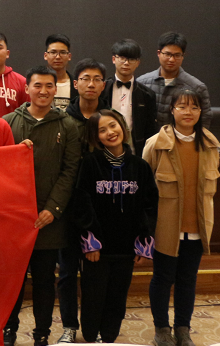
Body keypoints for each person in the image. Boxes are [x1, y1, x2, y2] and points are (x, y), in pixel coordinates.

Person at [2, 66, 82, 346]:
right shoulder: (8, 122)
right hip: (14, 218)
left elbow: (70, 171)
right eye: (38, 85)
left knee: (45, 280)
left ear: (56, 90)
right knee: (12, 281)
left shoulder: (67, 125)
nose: (44, 91)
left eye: (49, 86)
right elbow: (0, 169)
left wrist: (53, 209)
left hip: (48, 219)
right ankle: (8, 330)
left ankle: (42, 334)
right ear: (27, 88)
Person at [71, 110, 157, 344]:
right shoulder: (90, 164)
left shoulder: (140, 166)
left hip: (126, 248)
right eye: (102, 130)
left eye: (113, 125)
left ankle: (109, 338)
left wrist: (144, 242)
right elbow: (82, 203)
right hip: (97, 249)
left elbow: (150, 206)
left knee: (117, 297)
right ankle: (91, 338)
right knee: (93, 296)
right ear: (95, 137)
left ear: (122, 126)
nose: (110, 132)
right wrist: (90, 241)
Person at [143, 90, 219, 346]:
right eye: (183, 106)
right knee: (162, 279)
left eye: (194, 107)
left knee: (188, 280)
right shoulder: (156, 143)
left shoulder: (210, 144)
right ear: (172, 110)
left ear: (200, 112)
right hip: (166, 228)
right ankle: (162, 329)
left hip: (197, 227)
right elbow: (145, 189)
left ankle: (183, 328)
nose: (188, 112)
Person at [56, 58, 116, 343]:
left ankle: (95, 328)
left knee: (96, 273)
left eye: (97, 79)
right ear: (75, 83)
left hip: (101, 209)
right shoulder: (63, 119)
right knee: (67, 271)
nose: (91, 84)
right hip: (68, 207)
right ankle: (69, 326)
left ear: (103, 85)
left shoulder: (110, 120)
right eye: (85, 79)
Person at [137, 31, 212, 128]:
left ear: (183, 56)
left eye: (177, 55)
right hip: (149, 138)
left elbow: (205, 120)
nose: (172, 59)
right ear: (159, 53)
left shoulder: (197, 87)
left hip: (182, 137)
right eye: (167, 54)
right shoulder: (142, 83)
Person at [103, 39, 158, 151]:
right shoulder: (102, 89)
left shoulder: (147, 95)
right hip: (104, 149)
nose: (126, 63)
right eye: (122, 58)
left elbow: (150, 129)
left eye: (131, 59)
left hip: (135, 151)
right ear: (114, 59)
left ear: (138, 63)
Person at [44, 34, 77, 111]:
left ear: (69, 56)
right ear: (45, 55)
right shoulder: (36, 84)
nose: (58, 57)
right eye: (53, 52)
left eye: (63, 52)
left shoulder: (77, 85)